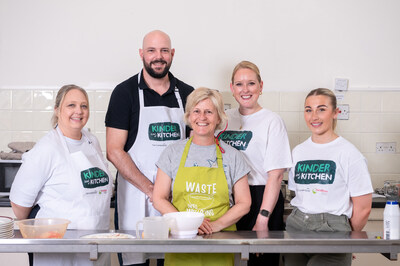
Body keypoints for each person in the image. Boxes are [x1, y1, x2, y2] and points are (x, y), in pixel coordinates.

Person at [105, 30, 194, 266]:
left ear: (172, 54)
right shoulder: (124, 93)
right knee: (136, 259)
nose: (158, 56)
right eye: (152, 50)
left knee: (176, 261)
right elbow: (114, 150)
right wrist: (153, 190)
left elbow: (197, 146)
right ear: (141, 54)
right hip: (135, 198)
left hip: (178, 200)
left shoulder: (188, 94)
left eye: (164, 50)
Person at [10, 84, 113, 266]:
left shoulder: (92, 141)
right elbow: (19, 205)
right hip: (60, 250)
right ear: (57, 110)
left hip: (97, 243)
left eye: (84, 106)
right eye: (71, 105)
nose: (78, 111)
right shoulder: (47, 148)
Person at [153, 87, 251, 266]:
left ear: (219, 117)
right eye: (196, 111)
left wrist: (215, 225)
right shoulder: (172, 153)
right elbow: (158, 198)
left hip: (221, 242)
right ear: (189, 116)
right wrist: (186, 224)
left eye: (209, 112)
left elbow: (244, 203)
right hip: (181, 240)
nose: (202, 117)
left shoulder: (233, 155)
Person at [285, 88, 373, 266]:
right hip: (297, 226)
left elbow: (363, 209)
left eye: (322, 109)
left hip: (333, 229)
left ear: (335, 113)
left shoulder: (349, 153)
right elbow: (300, 195)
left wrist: (347, 239)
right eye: (309, 110)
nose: (314, 116)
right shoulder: (298, 152)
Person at [218, 61, 292, 265]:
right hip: (229, 199)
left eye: (251, 83)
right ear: (232, 88)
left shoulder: (271, 121)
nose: (245, 89)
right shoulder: (223, 119)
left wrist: (263, 218)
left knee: (260, 261)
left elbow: (276, 175)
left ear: (261, 86)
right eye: (239, 84)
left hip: (261, 198)